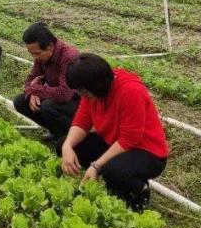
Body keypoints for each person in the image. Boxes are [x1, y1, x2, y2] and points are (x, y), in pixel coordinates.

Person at [57, 53, 169, 212]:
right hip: (113, 142)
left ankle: (139, 190)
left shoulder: (131, 91)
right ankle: (111, 178)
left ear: (96, 85)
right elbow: (82, 121)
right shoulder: (93, 91)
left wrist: (96, 166)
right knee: (64, 144)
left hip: (147, 151)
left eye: (84, 92)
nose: (82, 97)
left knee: (112, 171)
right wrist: (67, 146)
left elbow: (129, 139)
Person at [13, 22, 80, 140]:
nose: (34, 57)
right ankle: (56, 131)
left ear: (50, 46)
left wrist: (35, 89)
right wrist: (31, 93)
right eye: (31, 53)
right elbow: (31, 78)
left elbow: (64, 94)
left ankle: (71, 136)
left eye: (37, 53)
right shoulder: (41, 56)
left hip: (77, 102)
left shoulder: (68, 57)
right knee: (21, 101)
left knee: (47, 106)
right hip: (57, 97)